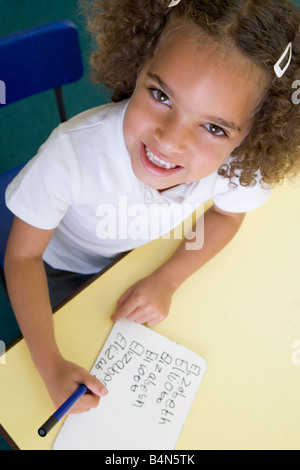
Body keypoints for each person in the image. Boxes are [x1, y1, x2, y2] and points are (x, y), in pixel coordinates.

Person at [4, 0, 300, 413]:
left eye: (214, 127)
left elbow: (228, 214)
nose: (170, 141)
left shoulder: (237, 165)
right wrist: (50, 365)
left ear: (253, 132)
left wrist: (168, 279)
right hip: (59, 263)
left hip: (138, 256)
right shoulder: (70, 153)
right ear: (140, 64)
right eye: (161, 95)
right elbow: (21, 255)